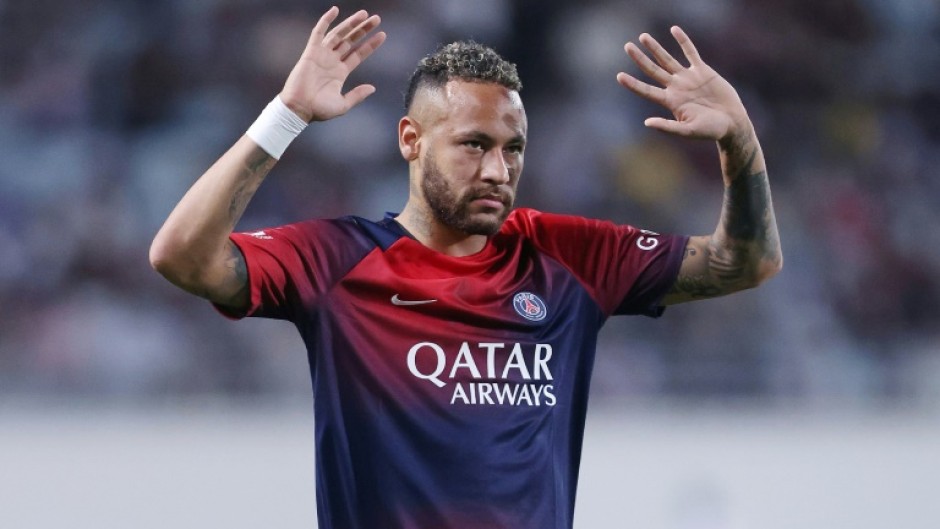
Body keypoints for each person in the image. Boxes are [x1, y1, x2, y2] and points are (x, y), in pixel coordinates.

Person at [150, 6, 782, 529]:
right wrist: (286, 116)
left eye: (513, 149)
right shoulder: (336, 261)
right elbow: (180, 256)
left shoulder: (568, 257)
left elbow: (745, 262)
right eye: (474, 145)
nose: (498, 171)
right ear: (411, 140)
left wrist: (738, 139)